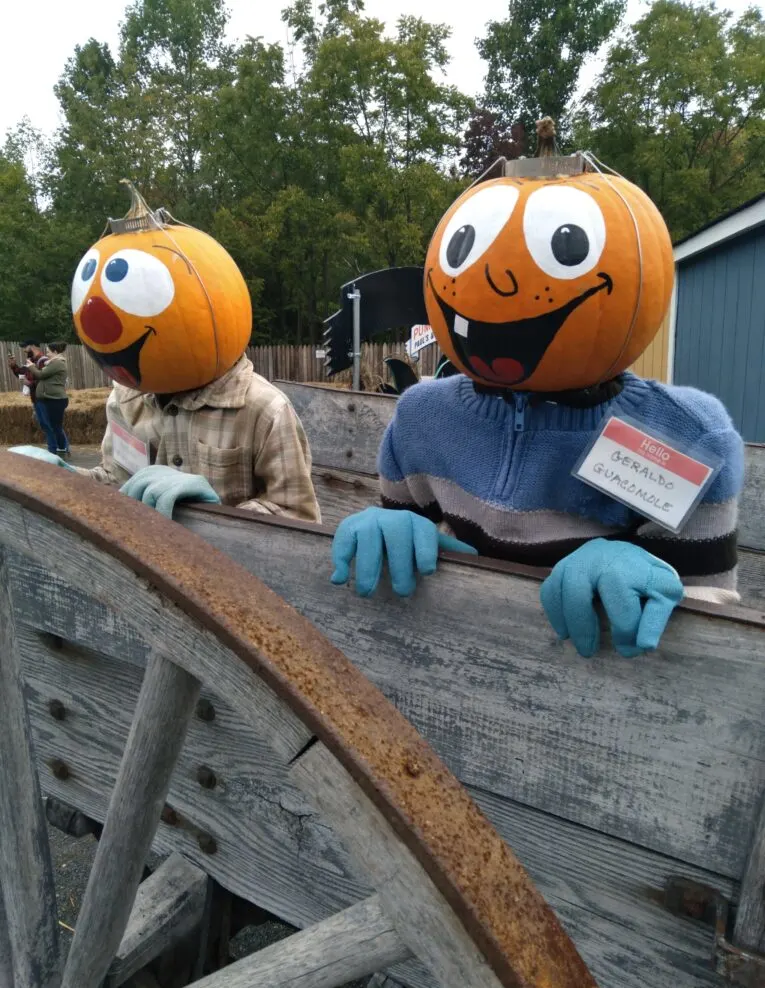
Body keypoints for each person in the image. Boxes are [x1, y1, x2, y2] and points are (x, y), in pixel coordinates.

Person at [329, 125, 744, 659]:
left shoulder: (687, 435)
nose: (498, 277)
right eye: (466, 249)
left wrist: (660, 573)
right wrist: (395, 523)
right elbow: (409, 533)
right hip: (449, 654)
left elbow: (711, 621)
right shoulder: (420, 418)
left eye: (567, 246)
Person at [10, 182, 319, 523]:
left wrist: (212, 516)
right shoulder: (125, 400)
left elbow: (298, 515)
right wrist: (63, 480)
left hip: (229, 572)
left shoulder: (264, 410)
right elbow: (117, 481)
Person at [25, 343, 70, 456]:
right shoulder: (52, 363)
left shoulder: (58, 363)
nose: (47, 353)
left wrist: (31, 366)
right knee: (51, 425)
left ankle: (59, 448)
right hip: (48, 398)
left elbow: (41, 375)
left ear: (55, 352)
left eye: (49, 351)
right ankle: (58, 448)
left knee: (55, 426)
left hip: (55, 399)